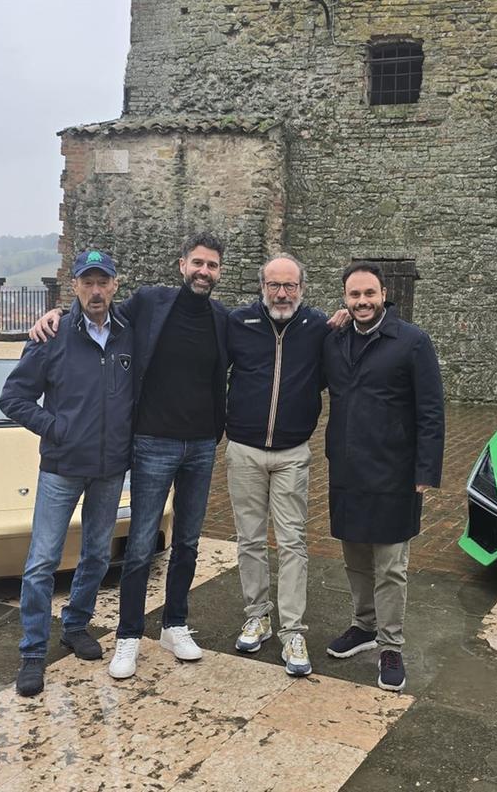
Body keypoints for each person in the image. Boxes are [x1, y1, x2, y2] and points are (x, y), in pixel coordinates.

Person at [30, 232, 229, 679]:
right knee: (139, 547)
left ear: (219, 272)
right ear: (182, 265)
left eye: (212, 265)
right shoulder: (151, 303)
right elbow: (97, 312)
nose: (203, 271)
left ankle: (176, 624)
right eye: (197, 262)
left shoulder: (220, 317)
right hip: (152, 443)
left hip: (200, 446)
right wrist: (58, 314)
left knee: (188, 543)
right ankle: (129, 635)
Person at [0, 248, 134, 698]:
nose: (96, 291)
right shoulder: (50, 337)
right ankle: (32, 652)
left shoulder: (128, 334)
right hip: (61, 467)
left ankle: (75, 625)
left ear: (115, 285)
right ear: (74, 286)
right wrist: (55, 428)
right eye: (87, 282)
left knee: (97, 554)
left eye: (103, 282)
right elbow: (13, 398)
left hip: (110, 468)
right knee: (41, 562)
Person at [322, 261, 445, 692]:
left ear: (382, 295)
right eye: (354, 295)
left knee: (390, 565)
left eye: (369, 294)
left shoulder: (412, 342)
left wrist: (426, 469)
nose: (362, 302)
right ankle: (363, 625)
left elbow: (431, 410)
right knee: (355, 557)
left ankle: (390, 644)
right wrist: (324, 326)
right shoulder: (334, 341)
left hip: (395, 472)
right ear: (345, 298)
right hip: (347, 468)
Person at [224, 254, 335, 676]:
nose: (282, 293)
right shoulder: (239, 323)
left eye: (290, 286)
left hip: (291, 452)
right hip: (244, 451)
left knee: (292, 543)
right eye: (274, 285)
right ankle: (257, 614)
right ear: (262, 287)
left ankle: (292, 629)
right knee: (249, 539)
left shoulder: (319, 327)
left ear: (302, 289)